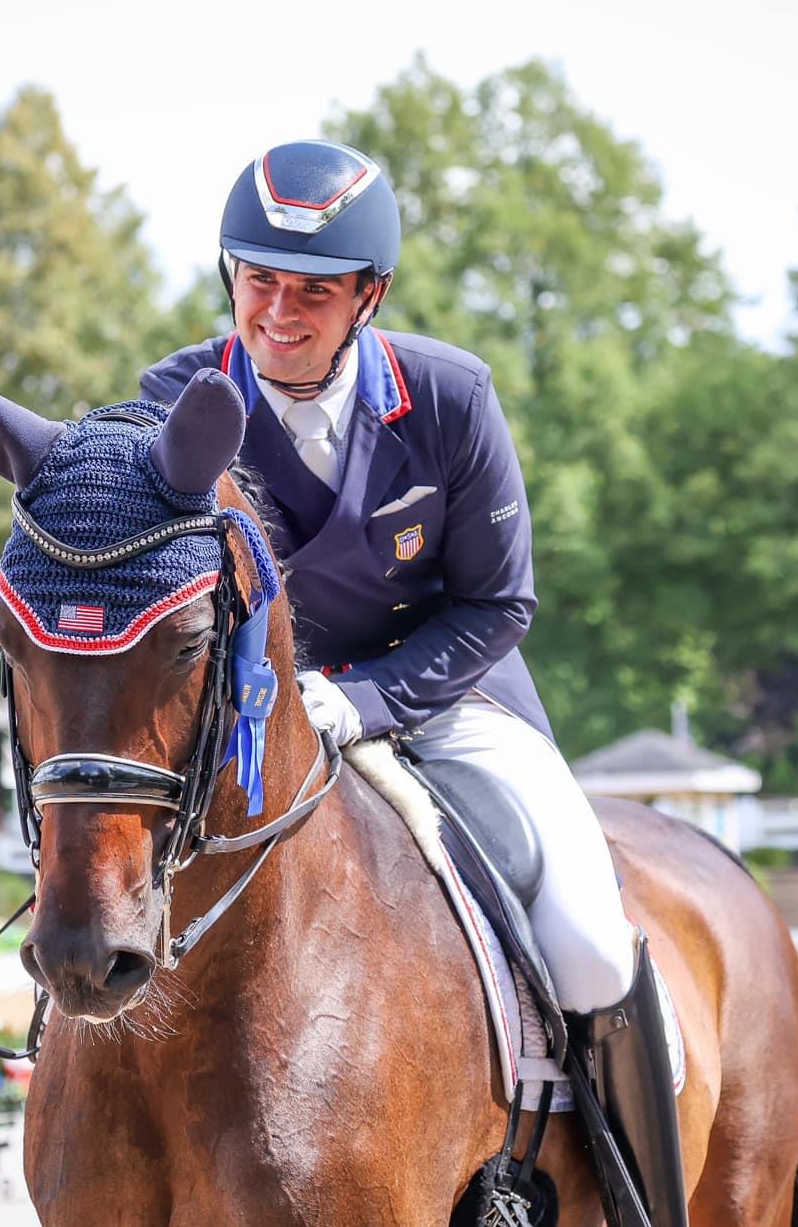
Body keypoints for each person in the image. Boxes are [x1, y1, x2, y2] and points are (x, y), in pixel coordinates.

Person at [142, 140, 682, 1223]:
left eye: (313, 290)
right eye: (258, 280)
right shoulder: (176, 400)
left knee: (586, 941)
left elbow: (498, 602)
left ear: (368, 296)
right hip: (255, 722)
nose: (278, 312)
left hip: (445, 700)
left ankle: (638, 1200)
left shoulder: (446, 396)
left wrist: (365, 698)